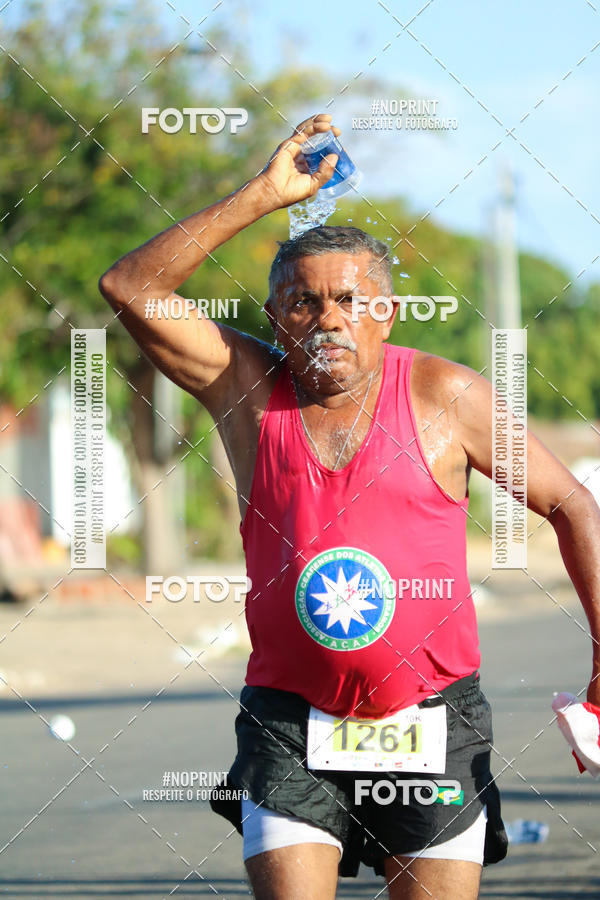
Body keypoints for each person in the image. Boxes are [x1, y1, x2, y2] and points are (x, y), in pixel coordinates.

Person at [99, 113, 600, 899]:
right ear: (275, 317)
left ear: (386, 313)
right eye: (302, 304)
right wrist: (264, 194)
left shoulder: (448, 397)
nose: (329, 319)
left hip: (431, 720)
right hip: (292, 725)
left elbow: (576, 507)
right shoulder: (247, 389)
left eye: (351, 301)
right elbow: (130, 288)